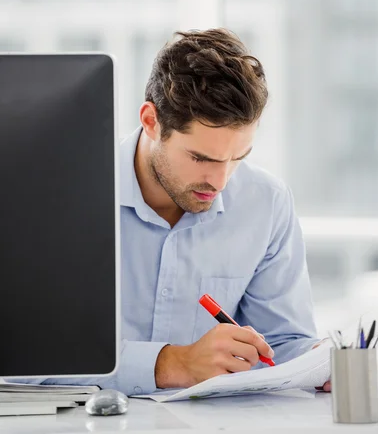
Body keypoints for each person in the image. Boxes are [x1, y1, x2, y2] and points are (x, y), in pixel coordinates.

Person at [16, 28, 330, 393]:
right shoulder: (58, 194)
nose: (220, 181)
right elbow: (22, 359)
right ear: (151, 121)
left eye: (237, 159)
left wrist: (320, 360)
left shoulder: (266, 203)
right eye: (200, 157)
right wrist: (170, 364)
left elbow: (281, 344)